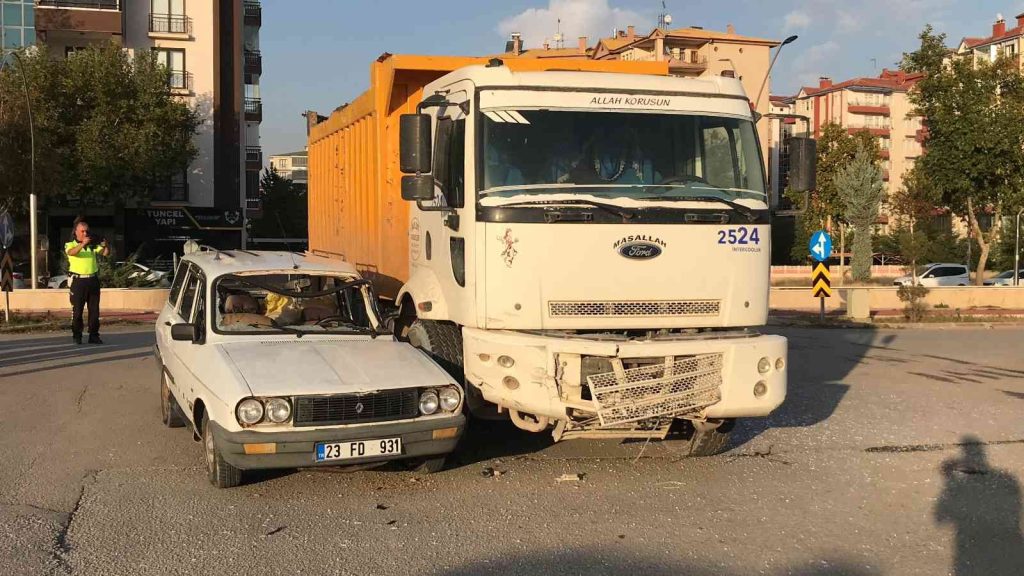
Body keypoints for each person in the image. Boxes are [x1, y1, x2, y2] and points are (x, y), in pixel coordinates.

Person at [65, 219, 110, 344]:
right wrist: (82, 244)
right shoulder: (71, 244)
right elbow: (71, 253)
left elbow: (105, 253)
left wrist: (105, 245)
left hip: (92, 279)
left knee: (94, 310)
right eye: (82, 231)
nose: (85, 233)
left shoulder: (91, 245)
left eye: (86, 231)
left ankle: (94, 335)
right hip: (78, 281)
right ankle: (77, 335)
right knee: (77, 310)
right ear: (76, 232)